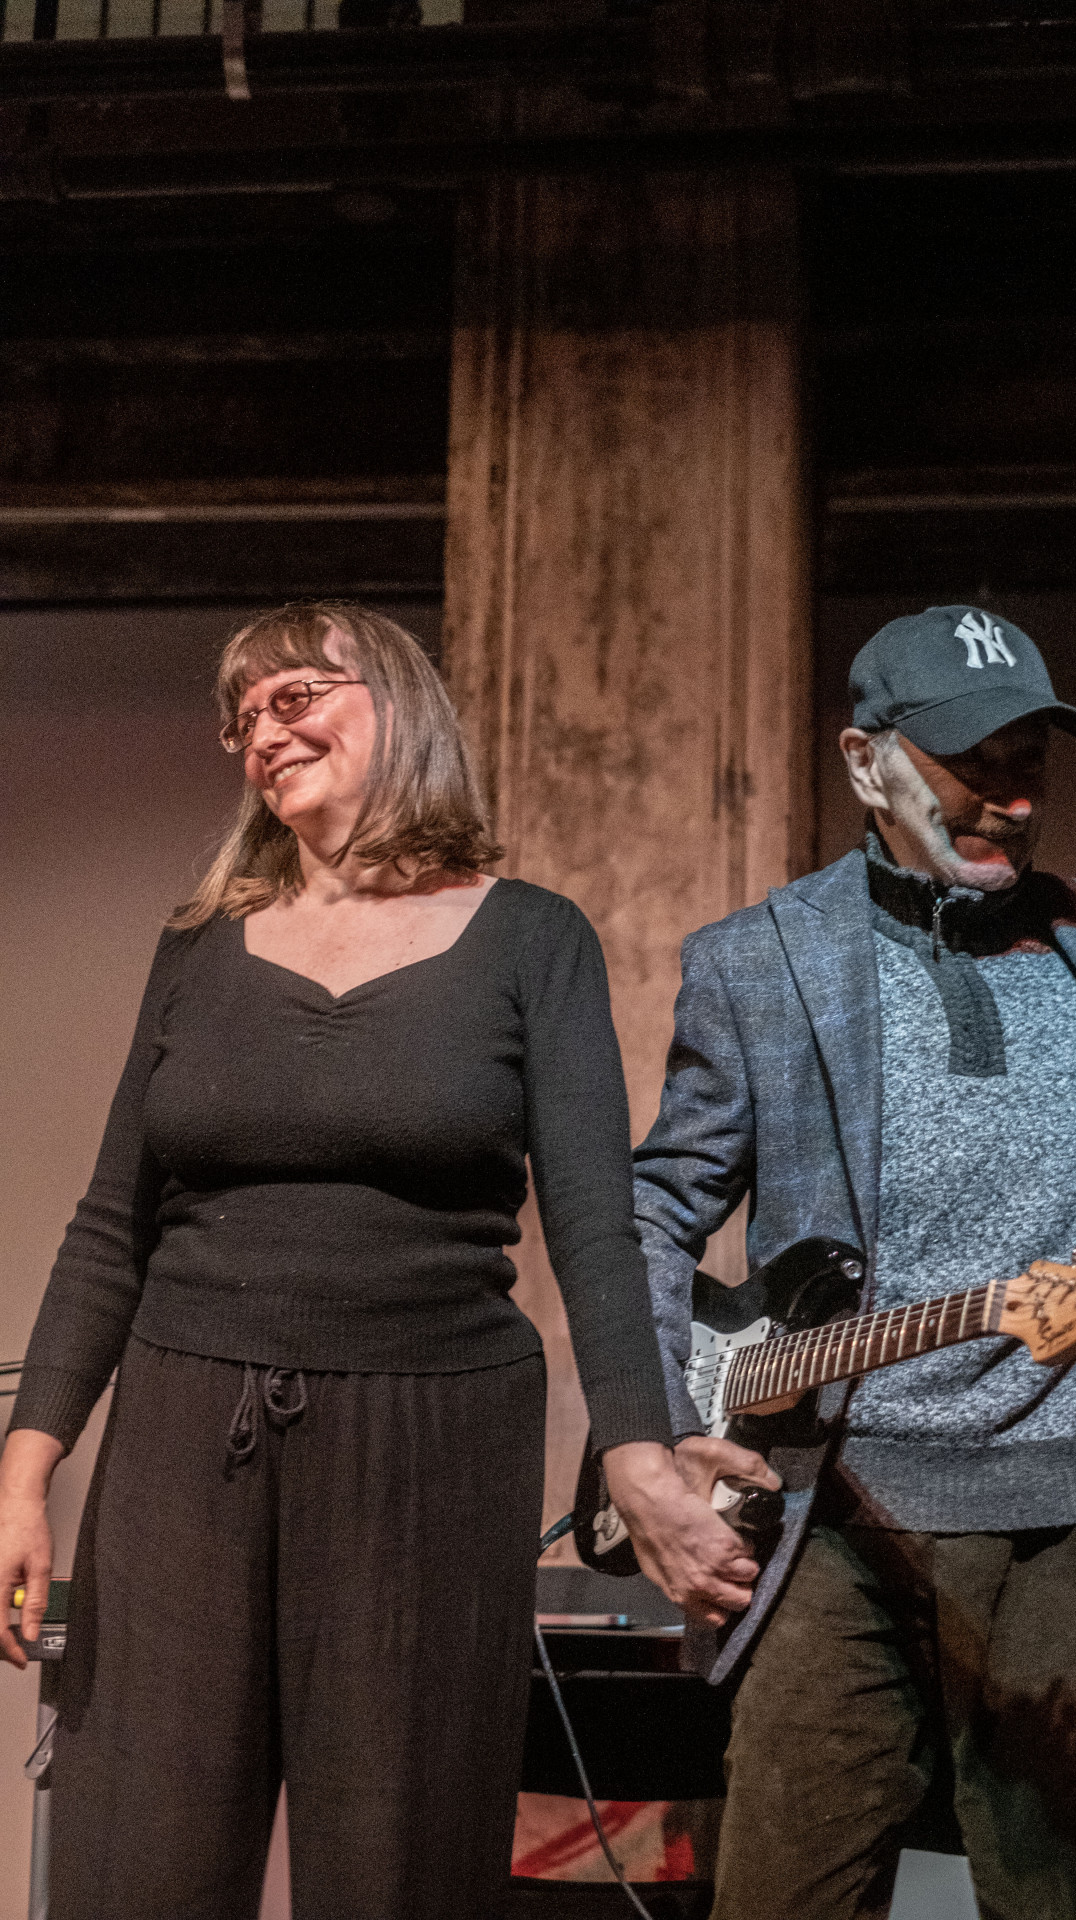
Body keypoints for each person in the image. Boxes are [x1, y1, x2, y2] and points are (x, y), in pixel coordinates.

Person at [0, 601, 749, 1920]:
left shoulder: (532, 938)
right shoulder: (198, 945)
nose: (261, 733)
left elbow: (595, 1221)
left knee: (393, 1871)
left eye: (293, 696)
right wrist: (26, 1466)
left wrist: (639, 1444)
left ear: (396, 702)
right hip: (186, 1435)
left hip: (429, 1439)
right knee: (141, 1864)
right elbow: (113, 1219)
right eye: (241, 716)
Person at [635, 604, 1076, 1920]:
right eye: (968, 762)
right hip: (838, 1519)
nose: (1009, 795)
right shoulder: (763, 966)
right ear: (867, 763)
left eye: (1029, 758)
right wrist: (651, 1432)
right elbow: (660, 1206)